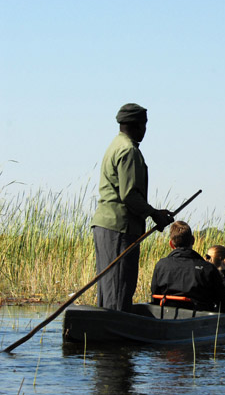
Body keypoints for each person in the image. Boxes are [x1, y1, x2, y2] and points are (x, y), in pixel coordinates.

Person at [91, 103, 174, 312]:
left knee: (109, 288)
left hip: (106, 226)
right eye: (144, 125)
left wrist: (154, 213)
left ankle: (104, 338)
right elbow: (129, 195)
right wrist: (155, 214)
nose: (145, 130)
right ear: (137, 125)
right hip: (120, 227)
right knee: (118, 290)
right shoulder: (128, 151)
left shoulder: (114, 145)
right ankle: (114, 340)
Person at [150, 222, 225, 312]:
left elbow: (155, 298)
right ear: (193, 240)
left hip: (165, 315)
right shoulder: (208, 268)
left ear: (171, 244)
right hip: (199, 319)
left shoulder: (160, 265)